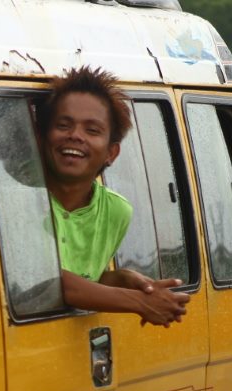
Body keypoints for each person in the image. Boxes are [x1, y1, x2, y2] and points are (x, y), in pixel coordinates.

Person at [36, 66, 190, 327]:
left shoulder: (116, 210)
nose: (75, 136)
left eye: (92, 131)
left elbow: (85, 281)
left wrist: (125, 279)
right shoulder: (15, 202)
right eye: (63, 125)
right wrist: (139, 302)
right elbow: (43, 281)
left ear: (112, 153)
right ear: (41, 138)